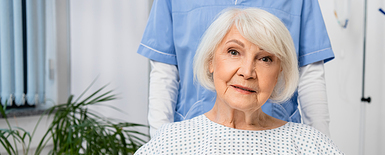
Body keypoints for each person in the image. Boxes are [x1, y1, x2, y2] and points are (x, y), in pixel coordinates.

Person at [135, 8, 343, 154]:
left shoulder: (310, 144)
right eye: (234, 52)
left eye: (265, 59)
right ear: (211, 61)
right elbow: (163, 74)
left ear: (279, 72)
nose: (247, 72)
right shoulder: (171, 141)